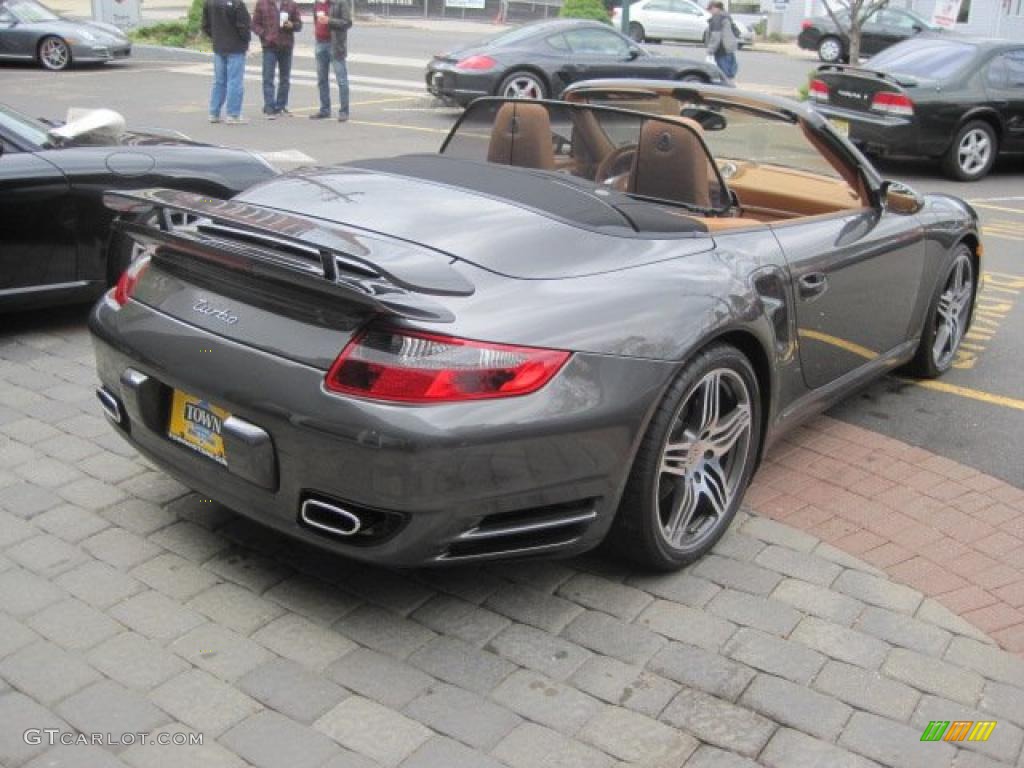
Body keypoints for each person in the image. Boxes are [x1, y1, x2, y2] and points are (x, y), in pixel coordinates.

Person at [202, 0, 252, 124]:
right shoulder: (237, 4)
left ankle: (214, 112)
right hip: (236, 47)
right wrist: (246, 41)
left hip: (219, 45)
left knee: (219, 81)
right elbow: (244, 27)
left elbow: (205, 26)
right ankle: (233, 114)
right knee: (234, 81)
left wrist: (216, 37)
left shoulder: (210, 3)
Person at [252, 0, 302, 118]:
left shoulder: (291, 4)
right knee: (268, 78)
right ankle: (269, 107)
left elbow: (299, 25)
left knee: (285, 78)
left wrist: (292, 25)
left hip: (286, 45)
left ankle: (281, 106)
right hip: (269, 46)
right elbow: (254, 24)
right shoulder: (262, 3)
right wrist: (264, 34)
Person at [310, 0, 352, 121]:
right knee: (322, 79)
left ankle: (344, 111)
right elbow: (315, 19)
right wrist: (317, 30)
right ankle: (324, 109)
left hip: (335, 44)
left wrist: (329, 20)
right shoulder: (317, 3)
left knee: (341, 80)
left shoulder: (340, 2)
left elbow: (347, 22)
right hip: (320, 43)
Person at [706, 1, 739, 84]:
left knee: (723, 72)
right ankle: (731, 85)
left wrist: (710, 51)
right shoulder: (726, 16)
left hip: (721, 48)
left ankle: (727, 88)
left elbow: (715, 37)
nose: (710, 12)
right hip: (729, 47)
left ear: (715, 8)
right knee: (730, 71)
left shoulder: (717, 18)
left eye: (710, 9)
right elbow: (736, 32)